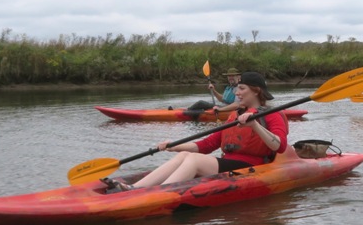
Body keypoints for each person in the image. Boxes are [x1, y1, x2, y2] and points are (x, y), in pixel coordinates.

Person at [104, 72, 288, 191]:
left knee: (193, 160)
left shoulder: (272, 115)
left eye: (241, 88)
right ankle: (134, 188)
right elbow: (207, 145)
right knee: (185, 154)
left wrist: (255, 125)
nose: (237, 92)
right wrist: (173, 146)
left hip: (253, 168)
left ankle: (159, 193)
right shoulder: (235, 114)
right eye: (237, 88)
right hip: (230, 164)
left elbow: (279, 146)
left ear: (256, 91)